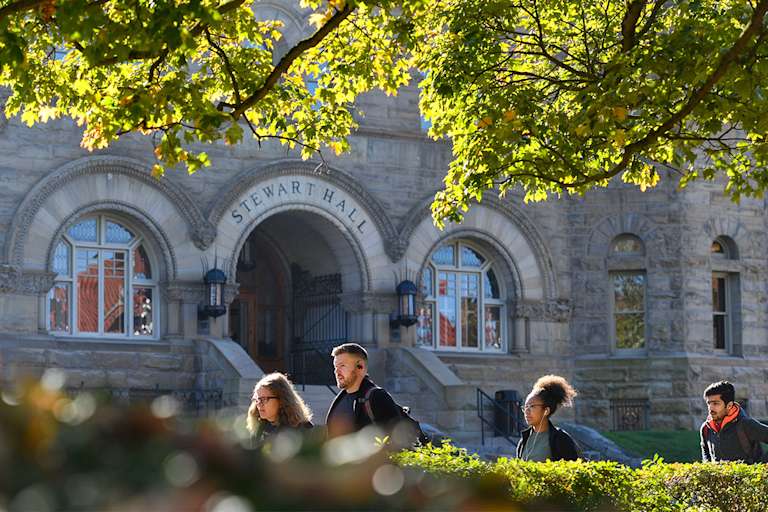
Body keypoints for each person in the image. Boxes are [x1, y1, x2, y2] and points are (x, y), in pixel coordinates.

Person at [325, 343, 402, 439]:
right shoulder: (339, 400)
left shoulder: (377, 397)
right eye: (335, 367)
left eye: (342, 366)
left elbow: (397, 438)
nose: (336, 371)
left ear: (360, 367)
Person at [700, 380, 768, 463]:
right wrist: (708, 465)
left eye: (715, 403)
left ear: (729, 405)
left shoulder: (746, 424)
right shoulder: (706, 428)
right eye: (708, 403)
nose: (710, 408)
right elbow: (705, 452)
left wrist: (763, 464)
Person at [517, 375, 579, 461]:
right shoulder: (524, 439)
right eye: (525, 407)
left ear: (546, 410)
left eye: (532, 406)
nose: (526, 411)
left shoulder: (560, 439)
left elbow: (573, 466)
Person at [247, 372, 313, 447]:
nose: (259, 404)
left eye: (264, 399)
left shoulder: (302, 430)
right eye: (257, 399)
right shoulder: (259, 427)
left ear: (282, 400)